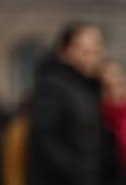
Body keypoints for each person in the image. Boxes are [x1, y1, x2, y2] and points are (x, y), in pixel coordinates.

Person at [26, 22, 108, 184]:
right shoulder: (53, 86)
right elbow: (46, 139)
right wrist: (78, 173)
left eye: (96, 51)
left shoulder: (86, 87)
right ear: (65, 52)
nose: (94, 57)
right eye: (86, 52)